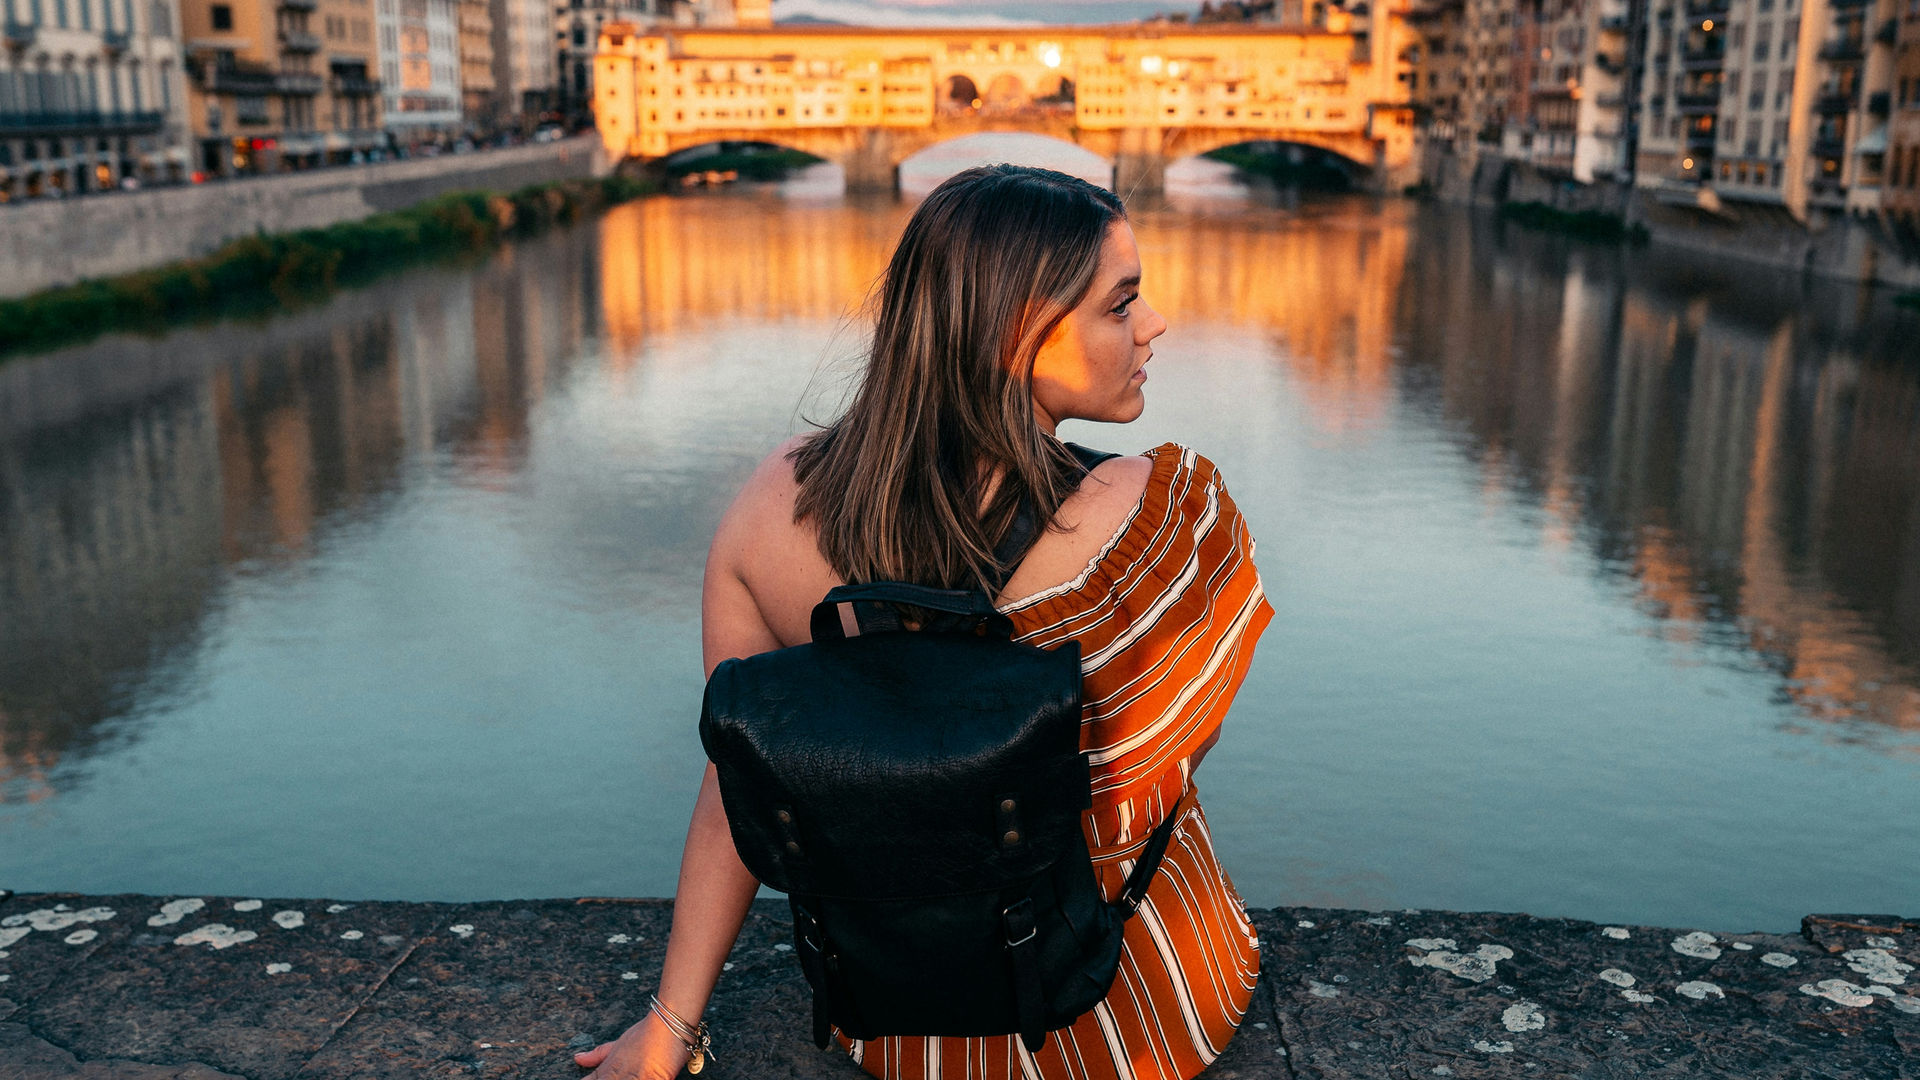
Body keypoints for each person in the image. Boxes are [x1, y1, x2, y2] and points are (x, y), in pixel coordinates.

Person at [575, 164, 1273, 1080]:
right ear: (1019, 332)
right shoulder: (1163, 520)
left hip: (900, 1037)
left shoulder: (771, 506)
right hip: (1129, 1026)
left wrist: (671, 1023)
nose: (1154, 325)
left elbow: (742, 780)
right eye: (1121, 304)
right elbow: (1155, 770)